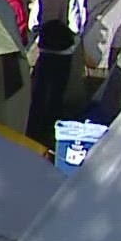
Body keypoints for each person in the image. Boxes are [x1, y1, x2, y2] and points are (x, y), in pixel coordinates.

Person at [27, 18, 78, 149]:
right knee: (54, 97)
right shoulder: (66, 49)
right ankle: (48, 130)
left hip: (49, 56)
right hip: (60, 56)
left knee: (40, 97)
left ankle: (39, 132)